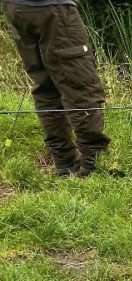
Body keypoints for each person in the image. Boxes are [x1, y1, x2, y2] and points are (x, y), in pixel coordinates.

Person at [2, 0, 109, 176]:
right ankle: (94, 162)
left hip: (15, 7)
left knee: (45, 85)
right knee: (80, 84)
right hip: (51, 7)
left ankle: (64, 162)